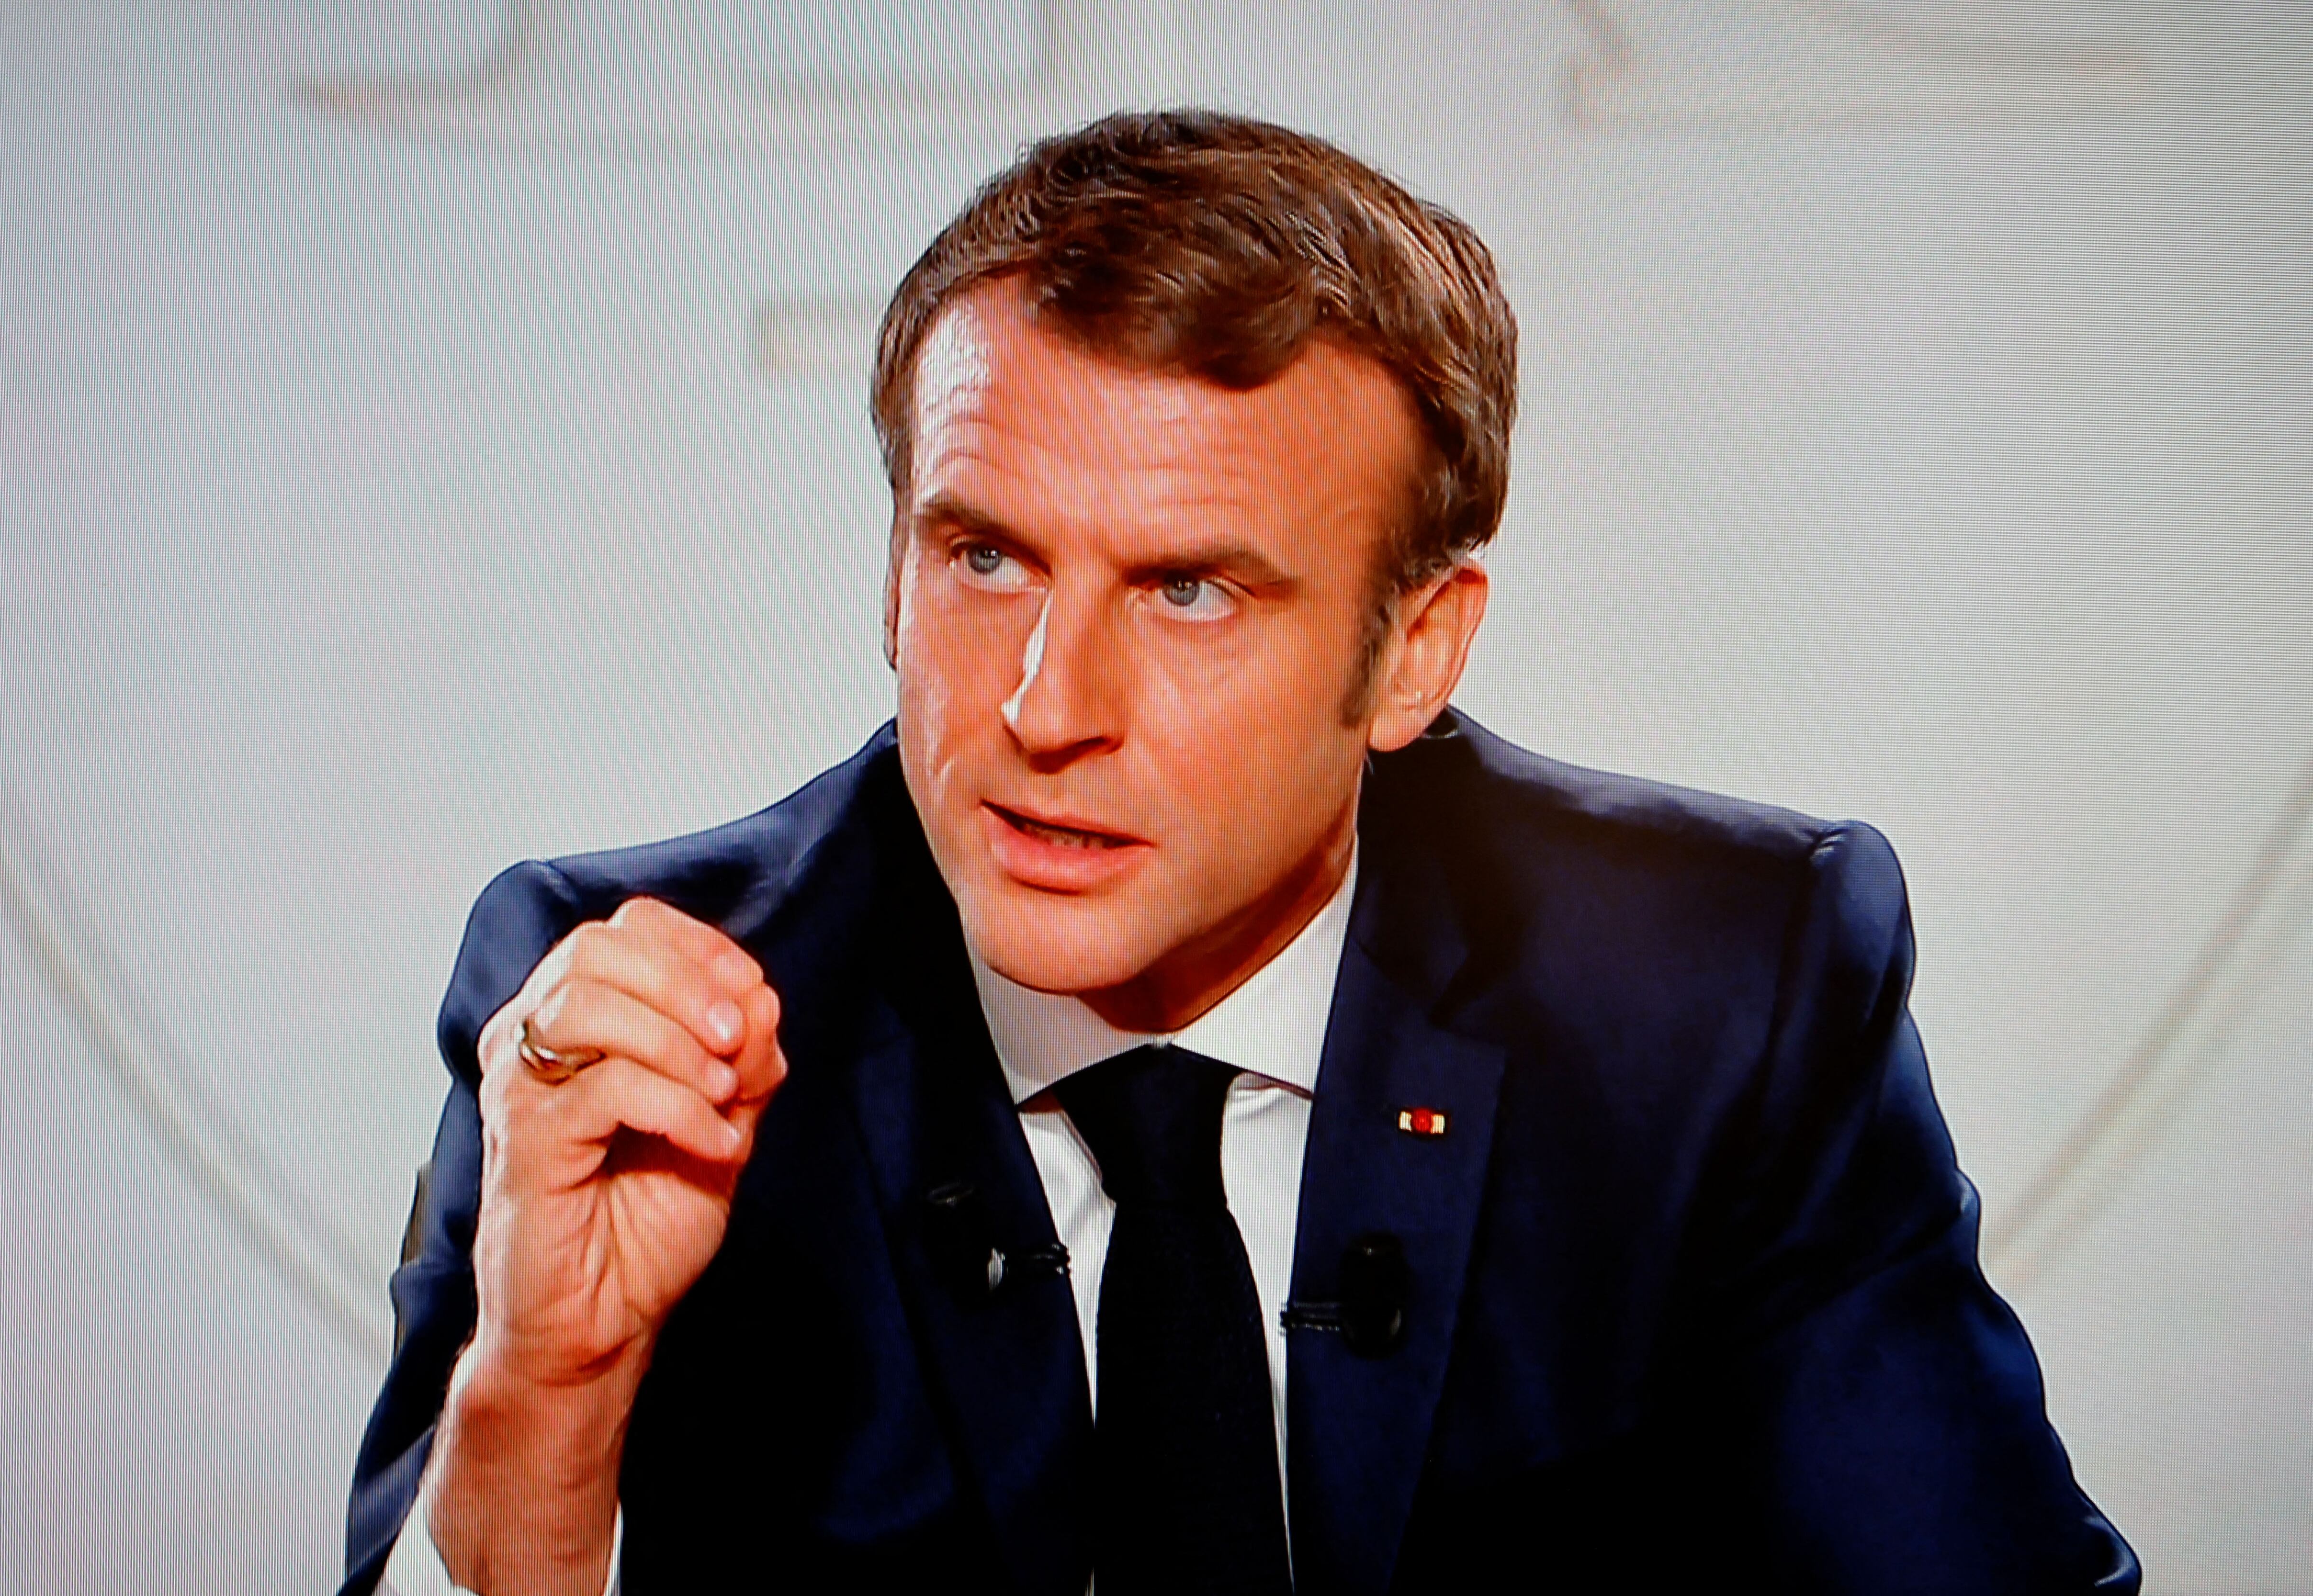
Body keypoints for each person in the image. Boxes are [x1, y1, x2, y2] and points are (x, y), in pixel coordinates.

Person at [343, 110, 2137, 1596]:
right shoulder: (617, 1010)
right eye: (985, 559)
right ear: (892, 568)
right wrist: (546, 1400)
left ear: (1413, 652)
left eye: (1190, 590)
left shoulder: (1720, 998)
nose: (1047, 706)